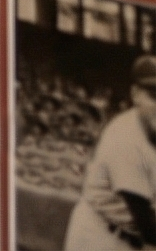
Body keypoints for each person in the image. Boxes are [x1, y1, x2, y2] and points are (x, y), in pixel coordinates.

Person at [63, 54, 156, 251]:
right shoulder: (126, 137)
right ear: (135, 94)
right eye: (154, 96)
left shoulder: (150, 127)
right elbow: (149, 229)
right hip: (101, 237)